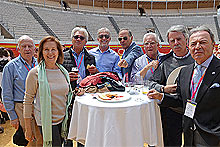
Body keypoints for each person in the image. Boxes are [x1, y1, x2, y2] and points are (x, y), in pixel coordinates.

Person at [148, 25, 220, 146]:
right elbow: (182, 100)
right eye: (194, 44)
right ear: (189, 46)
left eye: (202, 42)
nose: (197, 47)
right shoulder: (185, 72)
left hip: (213, 136)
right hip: (189, 133)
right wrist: (161, 96)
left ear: (213, 44)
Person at [148, 25, 194, 146]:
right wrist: (163, 88)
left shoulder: (196, 59)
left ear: (186, 39)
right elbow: (151, 83)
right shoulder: (165, 62)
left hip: (194, 110)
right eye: (172, 41)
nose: (176, 43)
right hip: (172, 111)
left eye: (179, 39)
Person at [23, 36, 73, 146]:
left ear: (59, 51)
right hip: (47, 122)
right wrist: (28, 128)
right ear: (41, 52)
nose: (50, 53)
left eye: (53, 49)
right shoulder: (34, 73)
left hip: (63, 120)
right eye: (46, 49)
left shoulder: (63, 71)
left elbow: (65, 94)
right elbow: (27, 101)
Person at [2, 35, 41, 146]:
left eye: (30, 46)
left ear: (34, 48)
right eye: (24, 46)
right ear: (18, 49)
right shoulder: (10, 67)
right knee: (30, 140)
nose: (27, 49)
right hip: (22, 108)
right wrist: (13, 117)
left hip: (39, 106)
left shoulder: (40, 64)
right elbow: (6, 93)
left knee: (41, 138)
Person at [62, 27, 96, 147]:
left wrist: (94, 72)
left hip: (84, 96)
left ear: (85, 41)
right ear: (71, 39)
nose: (78, 39)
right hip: (68, 97)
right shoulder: (62, 56)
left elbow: (94, 80)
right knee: (68, 130)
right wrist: (66, 77)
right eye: (76, 37)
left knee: (83, 130)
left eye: (81, 37)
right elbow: (57, 77)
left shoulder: (91, 57)